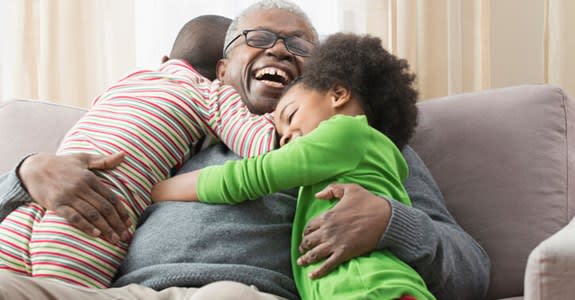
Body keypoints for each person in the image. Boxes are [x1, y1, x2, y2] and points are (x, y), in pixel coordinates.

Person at [0, 0, 490, 299]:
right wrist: (26, 174)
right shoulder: (163, 129)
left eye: (300, 47)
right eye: (258, 38)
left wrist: (389, 222)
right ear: (220, 67)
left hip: (238, 292)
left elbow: (473, 270)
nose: (279, 50)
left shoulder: (361, 144)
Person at [0, 13, 279, 289]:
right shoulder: (211, 93)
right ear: (222, 71)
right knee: (66, 291)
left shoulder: (129, 80)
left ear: (165, 62)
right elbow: (261, 145)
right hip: (95, 213)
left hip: (25, 211)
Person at [152, 32, 437, 300]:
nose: (286, 139)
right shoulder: (364, 157)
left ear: (338, 94)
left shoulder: (346, 134)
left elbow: (249, 177)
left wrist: (154, 190)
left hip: (373, 289)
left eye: (290, 116)